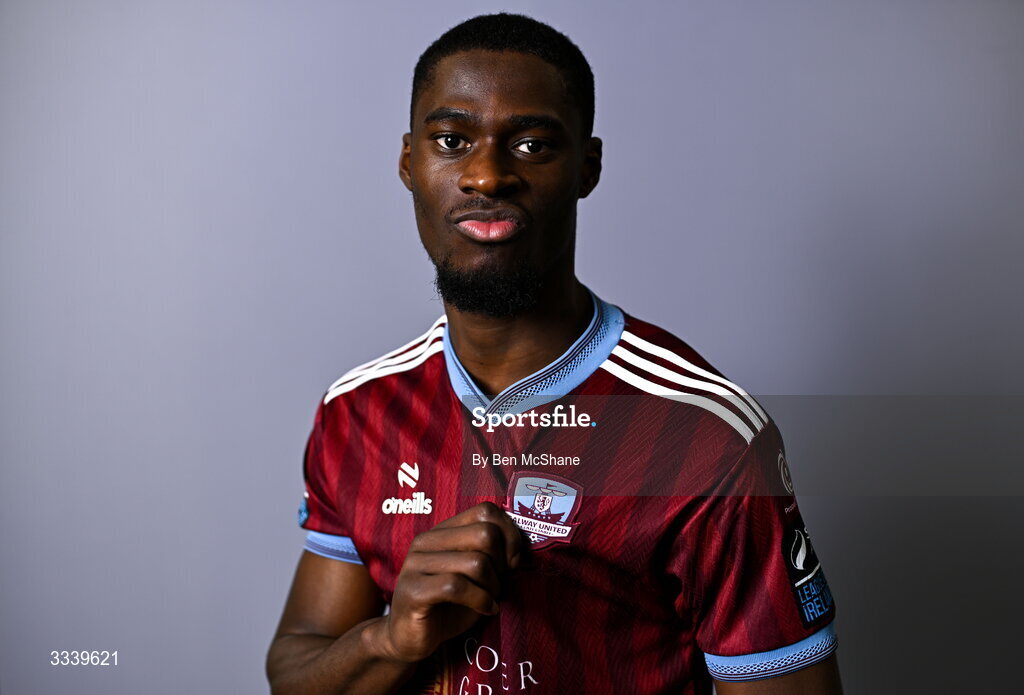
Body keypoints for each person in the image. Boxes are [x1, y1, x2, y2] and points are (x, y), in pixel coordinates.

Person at [266, 12, 842, 695]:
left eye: (533, 144)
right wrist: (394, 636)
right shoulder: (357, 410)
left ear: (587, 168)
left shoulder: (705, 433)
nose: (486, 175)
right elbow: (296, 674)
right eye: (452, 140)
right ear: (408, 162)